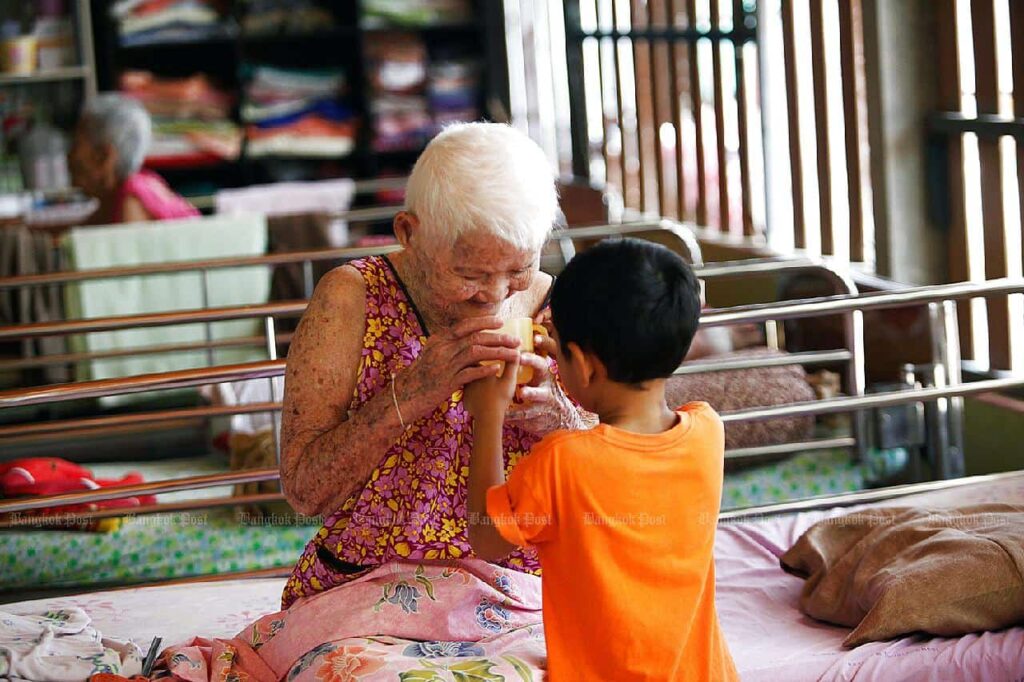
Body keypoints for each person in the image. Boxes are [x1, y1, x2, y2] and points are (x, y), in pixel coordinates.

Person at [278, 122, 593, 608]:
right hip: (374, 588)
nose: (493, 295)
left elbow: (614, 467)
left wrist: (562, 421)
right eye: (469, 274)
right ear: (408, 233)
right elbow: (304, 491)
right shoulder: (352, 297)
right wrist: (410, 393)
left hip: (529, 593)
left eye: (517, 270)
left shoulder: (561, 305)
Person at [463, 238, 739, 680]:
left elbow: (486, 538)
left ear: (584, 365)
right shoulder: (707, 429)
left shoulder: (562, 461)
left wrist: (488, 415)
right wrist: (576, 357)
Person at [67, 93, 199, 224]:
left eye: (75, 144)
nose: (69, 156)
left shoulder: (132, 202)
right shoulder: (118, 193)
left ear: (104, 156)